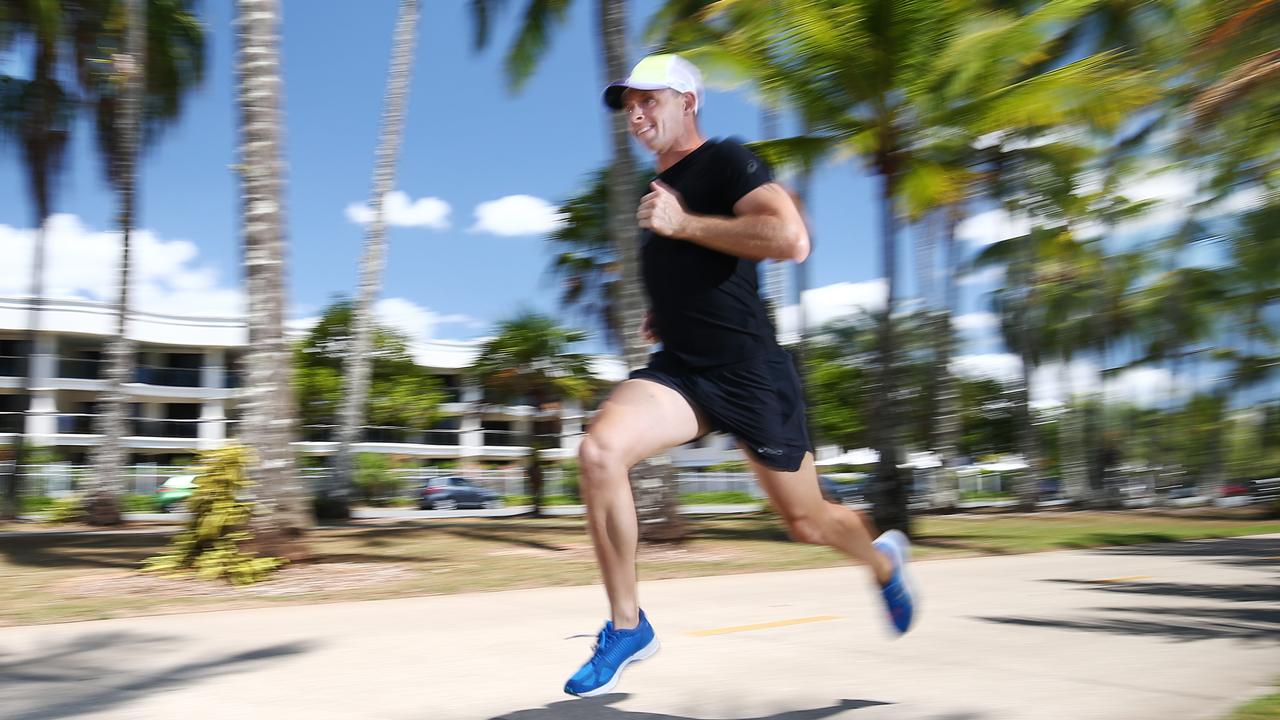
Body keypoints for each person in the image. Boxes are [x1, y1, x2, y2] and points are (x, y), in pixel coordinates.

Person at [564, 53, 916, 698]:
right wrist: (663, 312)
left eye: (651, 100)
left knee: (807, 524)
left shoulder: (726, 159)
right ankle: (627, 624)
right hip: (684, 373)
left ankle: (881, 559)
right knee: (600, 451)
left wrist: (685, 225)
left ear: (688, 102)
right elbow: (703, 272)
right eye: (629, 105)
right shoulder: (656, 195)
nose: (637, 114)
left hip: (751, 373)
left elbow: (789, 238)